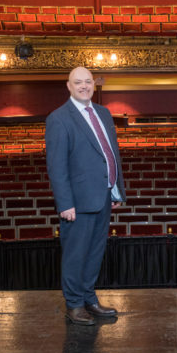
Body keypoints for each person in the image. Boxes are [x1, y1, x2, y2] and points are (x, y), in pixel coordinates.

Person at [46, 67, 126, 326]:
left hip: (102, 196)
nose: (84, 86)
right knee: (75, 254)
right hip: (77, 202)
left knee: (94, 252)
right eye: (78, 82)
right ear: (68, 86)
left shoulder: (102, 113)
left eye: (88, 82)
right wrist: (65, 203)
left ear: (95, 84)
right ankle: (74, 304)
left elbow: (110, 153)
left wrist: (116, 189)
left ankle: (89, 298)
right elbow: (56, 165)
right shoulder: (59, 118)